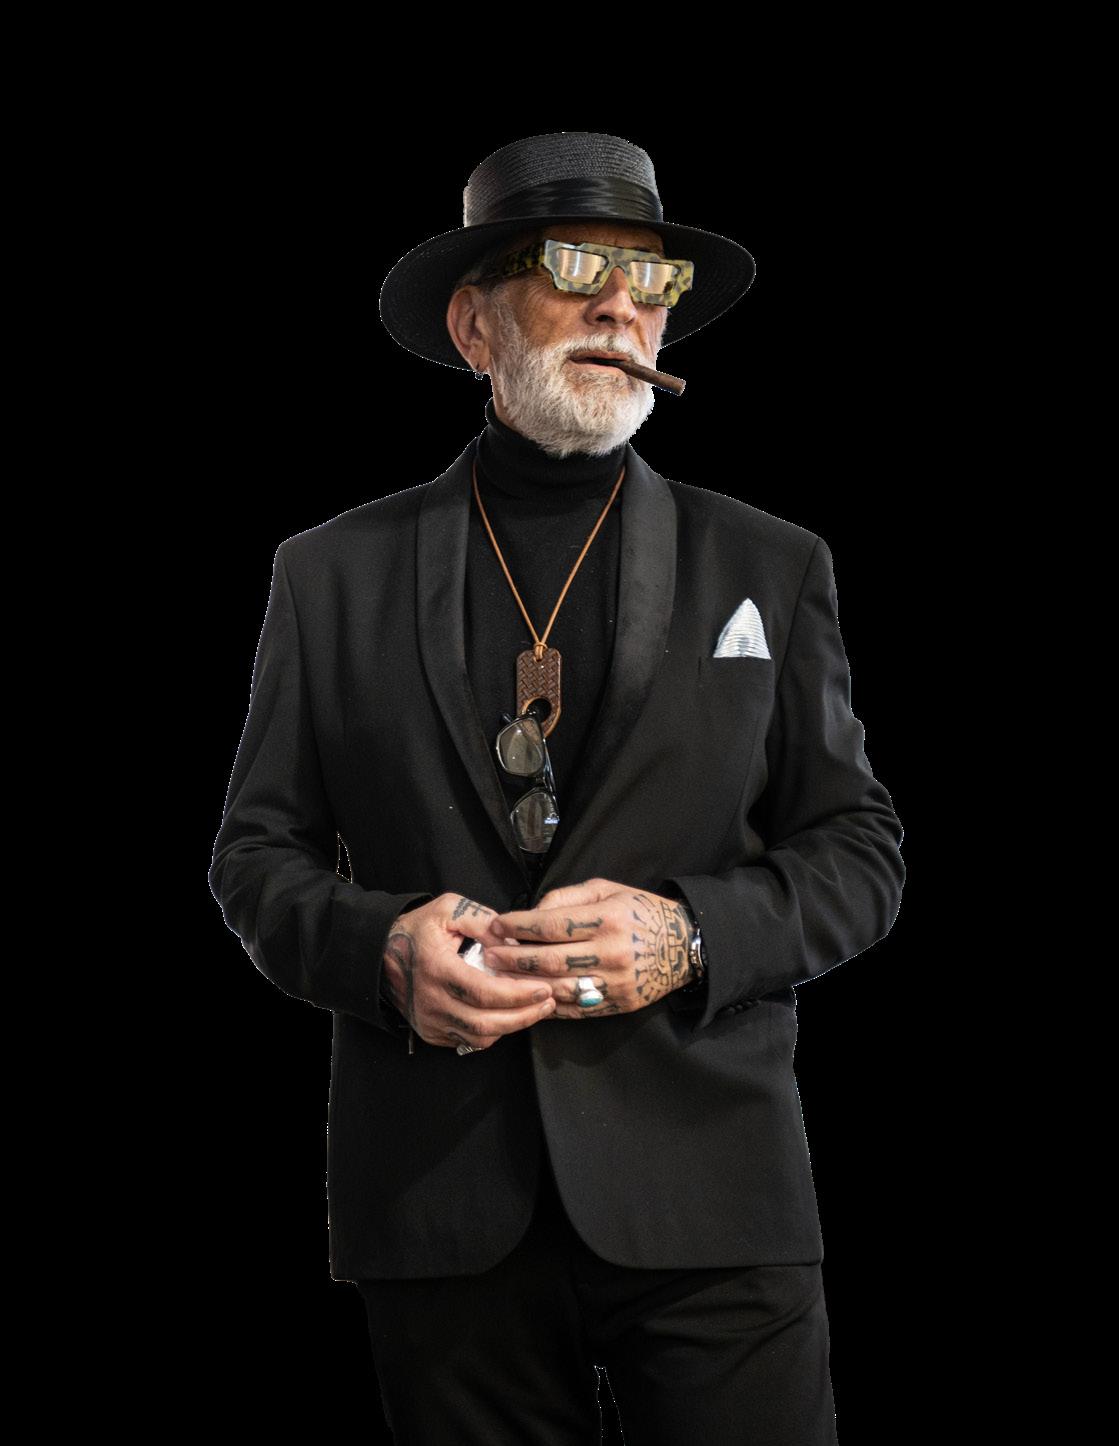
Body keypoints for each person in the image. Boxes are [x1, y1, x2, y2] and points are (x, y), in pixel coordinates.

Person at [208, 131, 905, 1445]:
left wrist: (690, 934)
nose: (623, 308)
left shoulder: (773, 563)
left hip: (715, 1196)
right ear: (475, 325)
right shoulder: (326, 575)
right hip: (439, 1204)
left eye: (653, 283)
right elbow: (254, 856)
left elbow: (859, 849)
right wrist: (381, 950)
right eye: (580, 269)